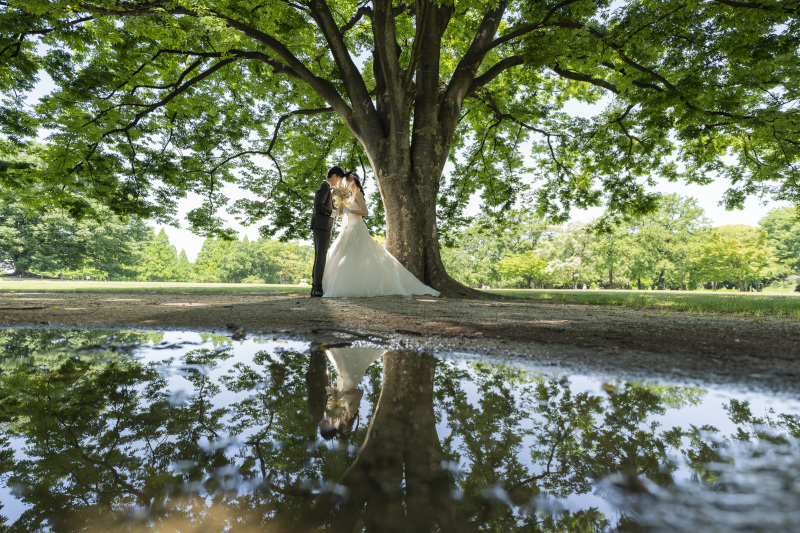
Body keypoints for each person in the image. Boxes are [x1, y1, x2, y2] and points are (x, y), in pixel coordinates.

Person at [322, 171, 440, 298]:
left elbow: (365, 212)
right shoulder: (349, 195)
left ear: (353, 181)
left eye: (347, 181)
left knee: (354, 255)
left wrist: (349, 210)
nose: (345, 183)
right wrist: (341, 207)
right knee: (343, 254)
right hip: (348, 228)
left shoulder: (358, 194)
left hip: (357, 228)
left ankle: (357, 286)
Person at [310, 166, 345, 297]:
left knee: (320, 256)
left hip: (323, 226)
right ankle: (317, 288)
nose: (338, 182)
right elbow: (318, 206)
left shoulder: (327, 189)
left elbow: (324, 203)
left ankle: (316, 287)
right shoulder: (324, 186)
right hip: (321, 226)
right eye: (339, 179)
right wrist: (334, 213)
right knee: (321, 257)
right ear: (334, 175)